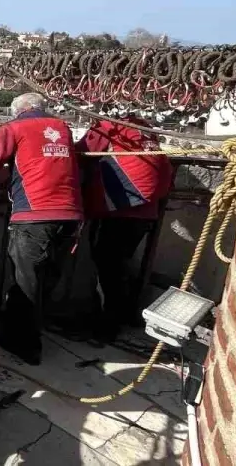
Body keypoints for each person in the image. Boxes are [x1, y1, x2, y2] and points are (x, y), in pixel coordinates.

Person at [0, 92, 82, 365]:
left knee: (25, 282)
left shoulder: (13, 128)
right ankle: (29, 330)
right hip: (71, 216)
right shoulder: (63, 128)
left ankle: (27, 346)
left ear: (19, 111)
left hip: (34, 215)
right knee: (47, 278)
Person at [77, 116, 174, 342]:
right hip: (145, 211)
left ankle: (107, 327)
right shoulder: (145, 130)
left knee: (108, 267)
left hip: (121, 209)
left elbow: (82, 151)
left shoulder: (109, 124)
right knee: (119, 266)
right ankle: (125, 315)